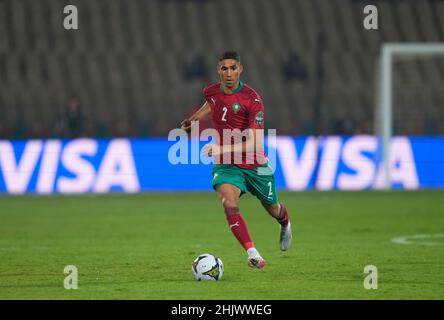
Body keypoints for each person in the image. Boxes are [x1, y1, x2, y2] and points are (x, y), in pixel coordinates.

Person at [180, 51, 292, 269]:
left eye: (233, 68)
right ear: (218, 71)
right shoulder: (210, 91)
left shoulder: (253, 100)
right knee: (229, 203)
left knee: (272, 208)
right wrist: (193, 119)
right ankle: (252, 253)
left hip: (254, 163)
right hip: (227, 164)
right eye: (224, 68)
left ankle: (285, 222)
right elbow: (211, 103)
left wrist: (220, 148)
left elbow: (255, 144)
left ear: (241, 69)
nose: (229, 73)